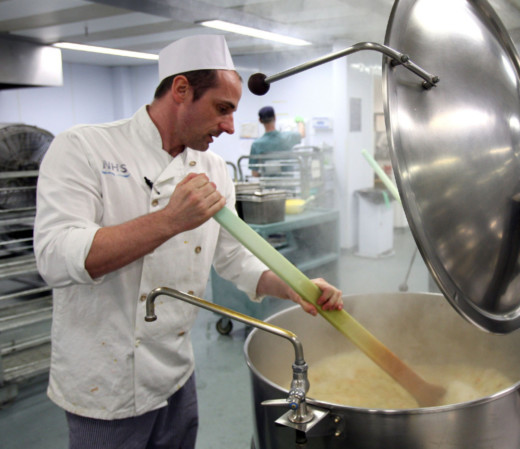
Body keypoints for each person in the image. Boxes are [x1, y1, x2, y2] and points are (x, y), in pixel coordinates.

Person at [33, 34, 342, 449]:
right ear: (181, 90)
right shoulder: (83, 147)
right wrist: (169, 221)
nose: (231, 126)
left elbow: (234, 260)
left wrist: (296, 286)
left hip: (176, 375)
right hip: (103, 385)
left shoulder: (214, 168)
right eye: (222, 109)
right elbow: (55, 257)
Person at [249, 106, 305, 177]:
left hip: (268, 186)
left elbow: (254, 174)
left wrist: (266, 176)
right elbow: (302, 134)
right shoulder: (287, 137)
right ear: (275, 117)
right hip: (288, 185)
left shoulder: (256, 144)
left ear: (260, 120)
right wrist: (300, 122)